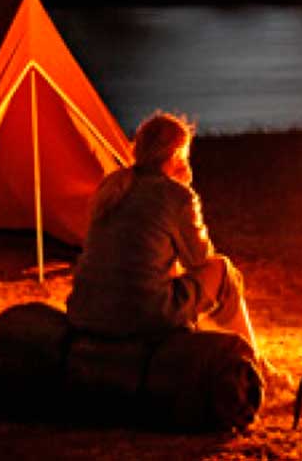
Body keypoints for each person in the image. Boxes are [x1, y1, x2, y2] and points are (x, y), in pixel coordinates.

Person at [67, 111, 270, 369]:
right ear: (176, 154)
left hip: (86, 310)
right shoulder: (176, 196)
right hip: (142, 316)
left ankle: (218, 346)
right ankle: (253, 362)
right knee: (223, 271)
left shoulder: (112, 186)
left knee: (171, 275)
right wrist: (184, 186)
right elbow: (200, 260)